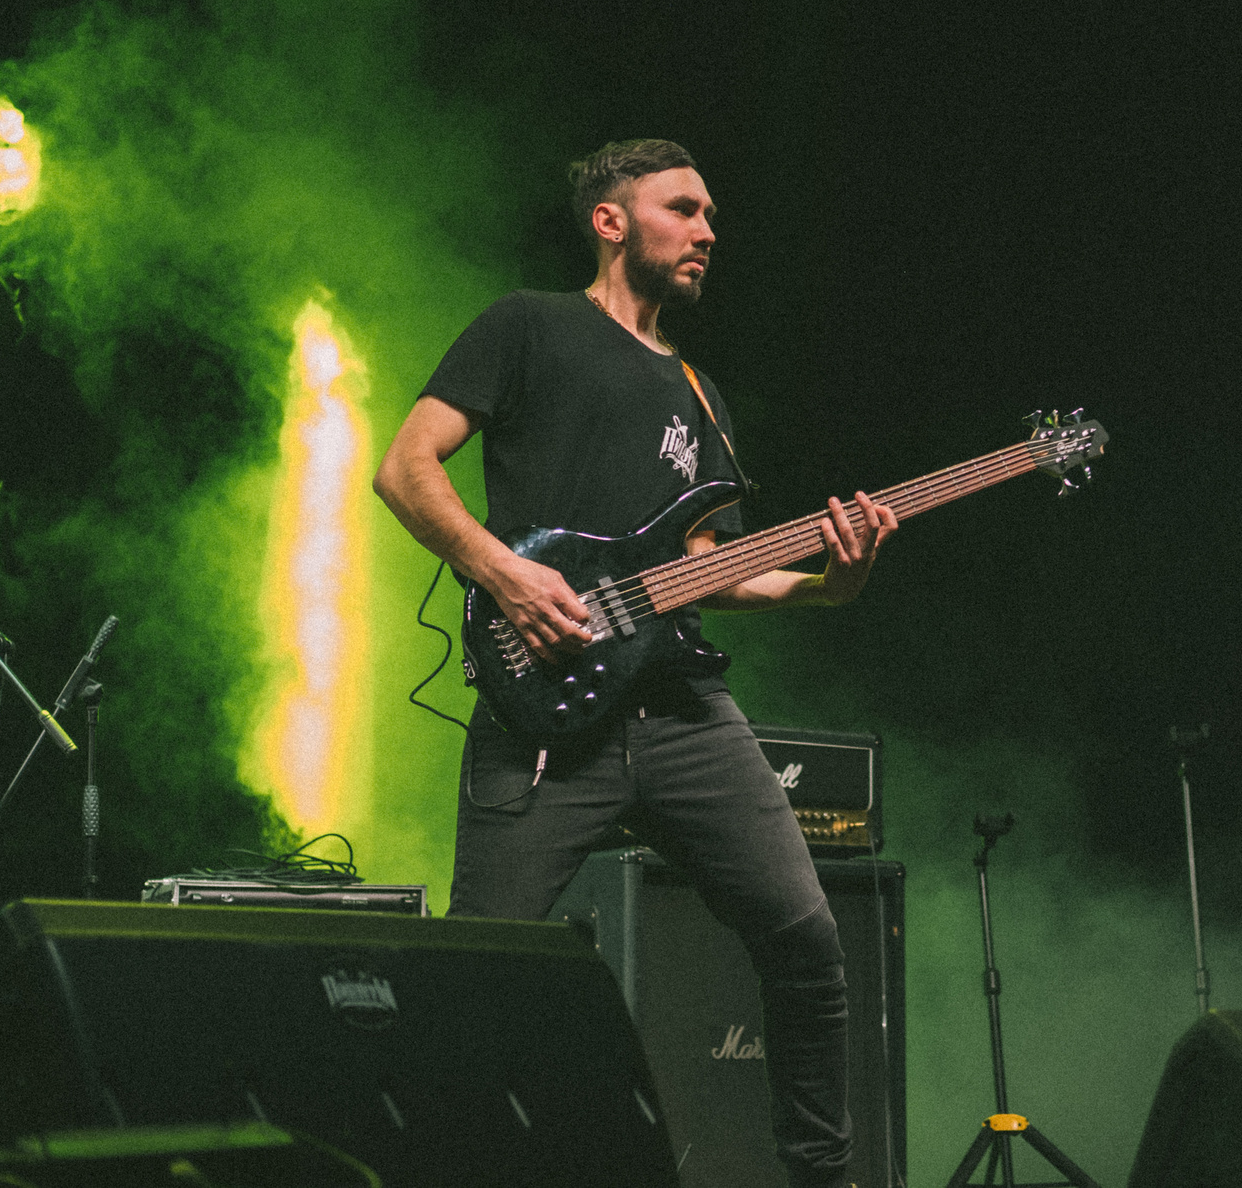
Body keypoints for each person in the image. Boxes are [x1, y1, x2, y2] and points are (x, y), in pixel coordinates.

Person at [373, 137, 897, 1188]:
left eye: (710, 215)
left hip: (684, 708)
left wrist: (828, 584)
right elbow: (404, 468)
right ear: (612, 221)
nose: (708, 231)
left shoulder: (699, 394)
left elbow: (712, 568)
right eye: (684, 209)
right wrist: (504, 575)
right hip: (542, 717)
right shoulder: (529, 325)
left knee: (807, 942)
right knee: (471, 976)